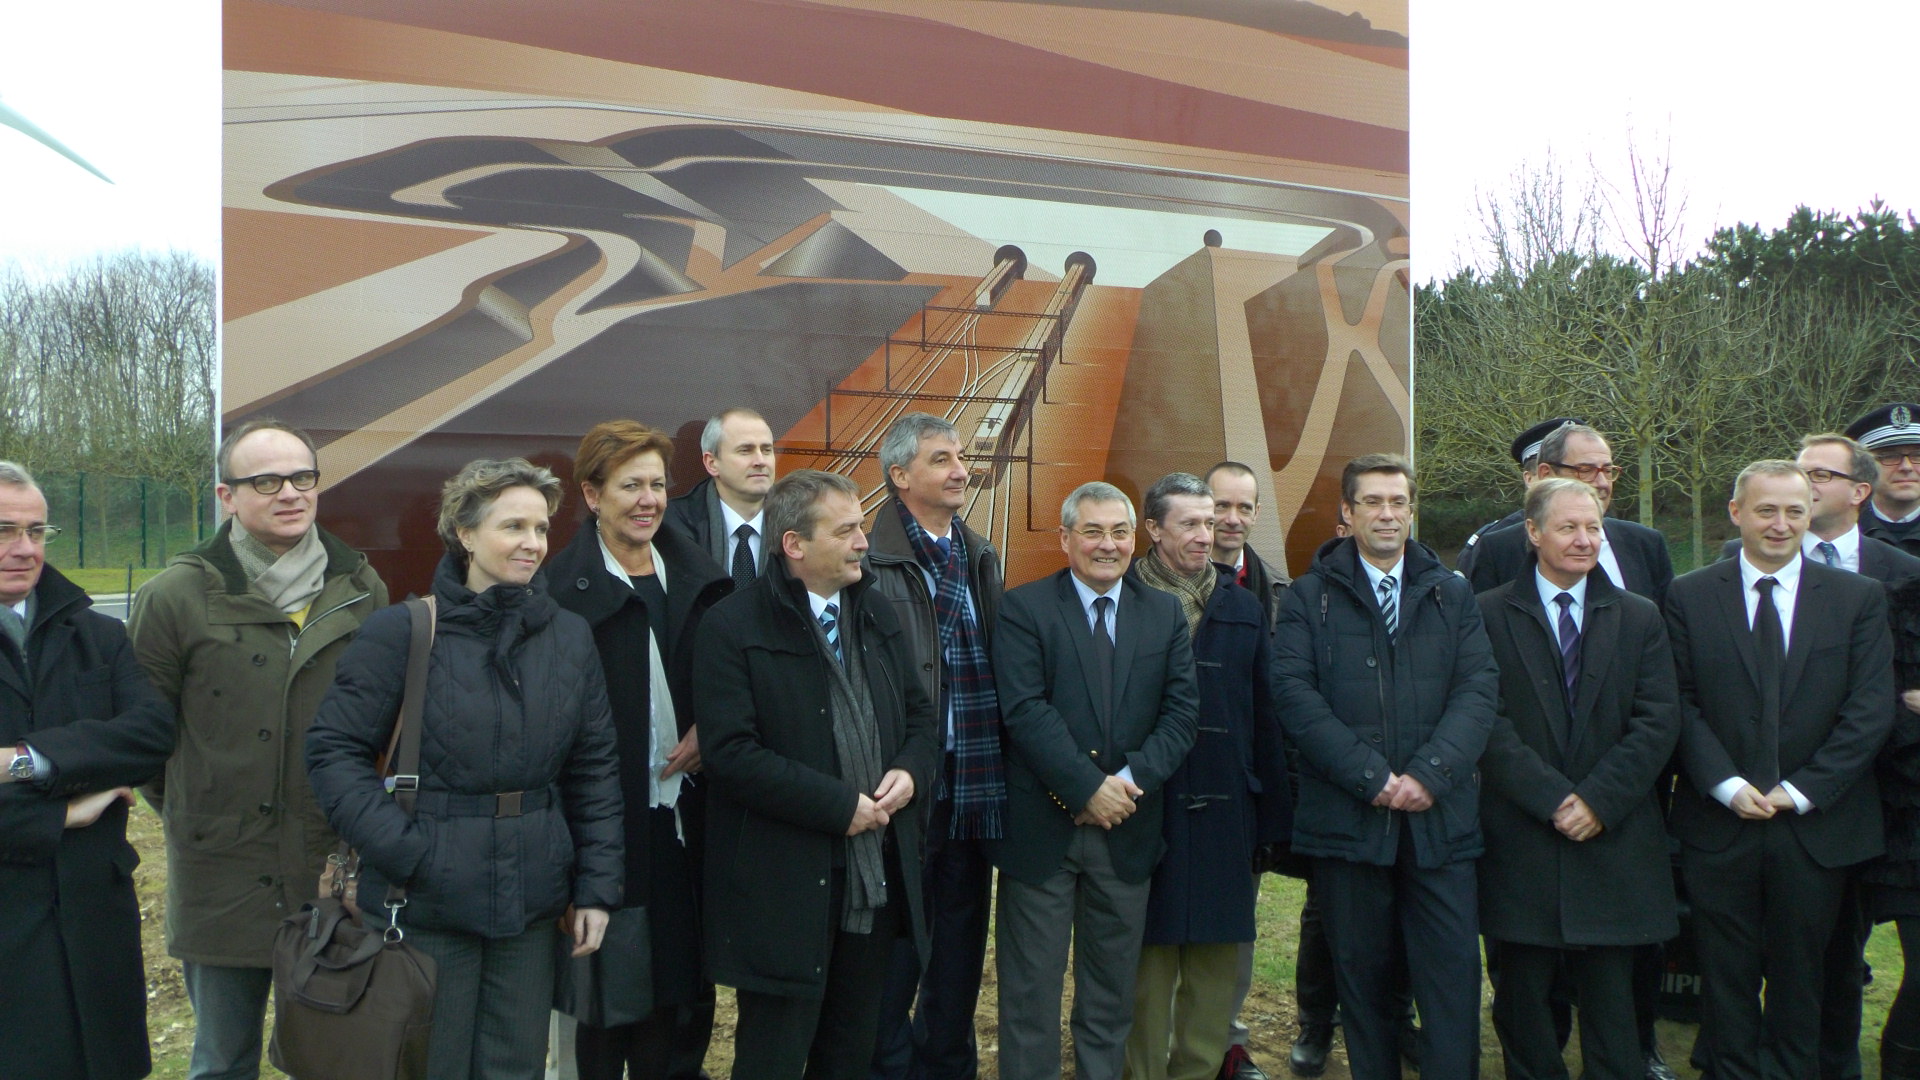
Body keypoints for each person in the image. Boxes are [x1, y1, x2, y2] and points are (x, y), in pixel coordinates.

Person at [307, 457, 625, 1080]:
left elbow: (593, 771)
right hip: (422, 904)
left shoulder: (568, 637)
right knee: (428, 1068)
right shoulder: (401, 632)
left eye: (540, 528)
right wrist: (405, 851)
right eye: (513, 527)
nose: (532, 543)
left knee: (515, 1069)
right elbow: (332, 750)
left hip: (530, 908)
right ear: (465, 533)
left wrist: (594, 887)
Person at [128, 418, 389, 1080]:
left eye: (303, 477)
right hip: (222, 876)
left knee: (336, 1060)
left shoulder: (362, 592)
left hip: (332, 873)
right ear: (226, 496)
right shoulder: (175, 597)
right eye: (266, 480)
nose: (290, 493)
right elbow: (144, 741)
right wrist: (204, 815)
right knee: (222, 1060)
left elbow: (381, 734)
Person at [693, 469, 940, 1080]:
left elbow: (921, 718)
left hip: (872, 884)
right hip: (783, 887)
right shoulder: (732, 625)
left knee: (850, 1053)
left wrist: (910, 771)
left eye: (861, 527)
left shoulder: (875, 611)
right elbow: (732, 754)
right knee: (773, 1056)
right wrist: (838, 806)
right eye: (848, 530)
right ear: (794, 545)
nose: (863, 542)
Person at [1663, 460, 1893, 1080]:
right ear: (1736, 513)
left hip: (1818, 829)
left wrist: (1801, 791)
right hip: (1720, 823)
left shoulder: (1856, 599)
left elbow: (1868, 712)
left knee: (1806, 978)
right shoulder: (1687, 595)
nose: (1782, 524)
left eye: (1795, 510)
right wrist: (1728, 785)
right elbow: (1675, 702)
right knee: (1724, 976)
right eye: (1766, 510)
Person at [1271, 453, 1498, 1080]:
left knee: (1451, 984)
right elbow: (1294, 695)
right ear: (1347, 512)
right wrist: (1371, 778)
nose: (1388, 515)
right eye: (1372, 501)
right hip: (1349, 826)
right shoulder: (1307, 598)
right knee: (1363, 986)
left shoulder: (1452, 592)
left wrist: (1430, 773)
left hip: (1440, 825)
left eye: (1398, 502)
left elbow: (1478, 690)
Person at [988, 481, 1200, 1080]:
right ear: (1065, 539)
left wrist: (1123, 787)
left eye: (1119, 532)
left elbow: (1182, 715)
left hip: (1127, 833)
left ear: (1135, 538)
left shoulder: (1162, 613)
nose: (1108, 545)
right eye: (1093, 531)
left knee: (1109, 1001)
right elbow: (1025, 710)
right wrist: (1085, 789)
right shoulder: (1025, 609)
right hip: (1042, 837)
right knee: (1030, 1001)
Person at [1475, 477, 1680, 1080]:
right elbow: (1485, 719)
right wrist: (1551, 798)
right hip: (1522, 841)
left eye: (1593, 528)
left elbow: (1658, 719)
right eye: (1568, 528)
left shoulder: (1640, 616)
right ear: (1533, 533)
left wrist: (1596, 800)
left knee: (1616, 1019)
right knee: (1524, 1011)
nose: (1585, 540)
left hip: (1613, 842)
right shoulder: (1486, 614)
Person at [548, 422, 733, 1080]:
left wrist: (717, 729)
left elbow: (742, 686)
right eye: (631, 485)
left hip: (689, 830)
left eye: (657, 484)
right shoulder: (556, 597)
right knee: (605, 1017)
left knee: (680, 1009)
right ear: (593, 496)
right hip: (604, 836)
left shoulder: (704, 582)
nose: (648, 499)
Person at [0, 461, 174, 1080]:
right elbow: (114, 744)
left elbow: (151, 735)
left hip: (94, 919)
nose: (24, 549)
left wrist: (24, 761)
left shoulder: (97, 634)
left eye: (37, 531)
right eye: (4, 530)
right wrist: (61, 809)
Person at [1122, 472, 1289, 1080]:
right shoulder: (1125, 598)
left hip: (1226, 810)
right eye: (1191, 522)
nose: (1207, 532)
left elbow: (1264, 714)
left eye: (1210, 520)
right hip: (1146, 808)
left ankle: (1196, 1071)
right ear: (1154, 529)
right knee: (1148, 966)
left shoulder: (1243, 604)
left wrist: (1271, 818)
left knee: (1217, 972)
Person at [865, 414, 1007, 1080]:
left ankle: (948, 1062)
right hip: (905, 787)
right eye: (942, 459)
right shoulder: (870, 562)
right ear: (900, 476)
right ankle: (889, 1062)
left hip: (972, 785)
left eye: (962, 457)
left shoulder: (978, 555)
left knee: (958, 942)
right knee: (899, 946)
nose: (961, 470)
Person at [1202, 460, 1295, 1080]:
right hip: (1166, 785)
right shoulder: (1153, 586)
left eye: (1244, 508)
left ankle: (1227, 1046)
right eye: (1220, 508)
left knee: (1235, 927)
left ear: (1256, 514)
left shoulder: (1277, 595)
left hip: (1240, 789)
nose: (1231, 521)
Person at [1463, 422, 1675, 607]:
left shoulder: (1645, 543)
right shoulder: (1499, 550)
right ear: (1546, 474)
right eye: (1585, 470)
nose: (1602, 483)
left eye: (1608, 471)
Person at [1453, 417, 1581, 581]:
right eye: (1558, 473)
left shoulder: (1616, 536)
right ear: (1530, 478)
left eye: (1584, 471)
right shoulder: (1495, 545)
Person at [668, 407, 778, 586]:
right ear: (712, 463)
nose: (760, 461)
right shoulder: (674, 524)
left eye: (767, 450)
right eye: (745, 450)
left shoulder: (801, 520)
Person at [1845, 404, 1920, 559]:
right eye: (1889, 456)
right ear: (1865, 466)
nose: (1906, 467)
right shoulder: (1842, 529)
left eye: (1917, 456)